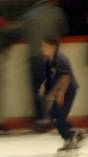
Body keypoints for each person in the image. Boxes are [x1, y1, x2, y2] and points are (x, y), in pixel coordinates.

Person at [22, 0, 68, 131]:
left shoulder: (28, 14)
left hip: (35, 56)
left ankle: (40, 120)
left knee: (37, 89)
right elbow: (64, 30)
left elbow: (24, 34)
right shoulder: (57, 12)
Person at [39, 37, 85, 156]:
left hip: (68, 91)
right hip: (59, 92)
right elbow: (49, 78)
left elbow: (66, 77)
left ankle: (70, 139)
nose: (42, 49)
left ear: (53, 47)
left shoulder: (60, 59)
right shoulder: (48, 61)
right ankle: (76, 133)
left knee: (59, 119)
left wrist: (61, 93)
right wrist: (44, 86)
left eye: (45, 46)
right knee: (54, 115)